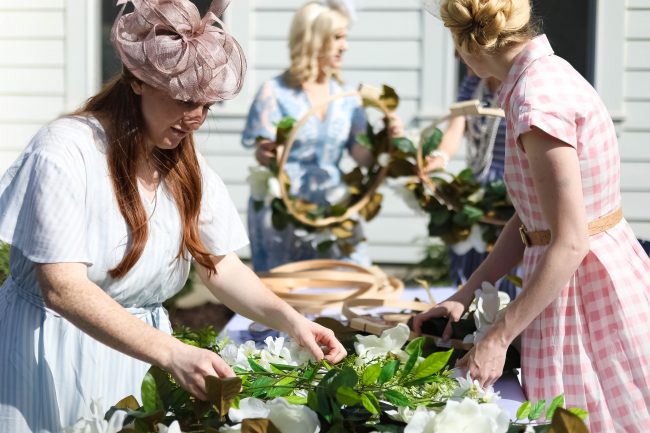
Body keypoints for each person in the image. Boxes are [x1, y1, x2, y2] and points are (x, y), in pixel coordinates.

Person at [0, 1, 346, 432]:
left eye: (207, 105)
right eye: (184, 99)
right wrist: (170, 352)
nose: (196, 118)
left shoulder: (182, 162)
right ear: (137, 81)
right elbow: (63, 289)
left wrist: (292, 321)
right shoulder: (65, 151)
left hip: (137, 359)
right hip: (52, 351)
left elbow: (219, 264)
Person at [414, 1, 650, 432]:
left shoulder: (537, 102)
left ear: (466, 43)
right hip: (579, 272)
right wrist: (463, 295)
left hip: (583, 289)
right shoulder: (541, 78)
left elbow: (571, 240)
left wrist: (498, 338)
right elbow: (531, 223)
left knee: (587, 417)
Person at [242, 0, 403, 272]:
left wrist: (386, 138)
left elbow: (362, 157)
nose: (345, 46)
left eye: (345, 37)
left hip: (333, 208)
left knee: (349, 281)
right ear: (313, 40)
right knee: (287, 294)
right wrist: (269, 152)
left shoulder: (347, 96)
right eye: (338, 37)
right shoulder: (274, 91)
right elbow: (262, 152)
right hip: (284, 209)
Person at [425, 70, 519, 299]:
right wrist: (438, 159)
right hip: (478, 188)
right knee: (469, 259)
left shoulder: (519, 83)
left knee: (506, 271)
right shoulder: (474, 82)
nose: (462, 59)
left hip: (511, 192)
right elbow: (455, 127)